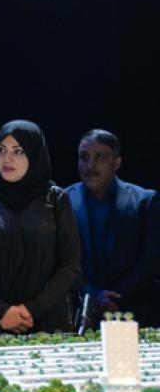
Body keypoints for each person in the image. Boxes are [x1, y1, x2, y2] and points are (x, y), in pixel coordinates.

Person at [0, 120, 80, 336]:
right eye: (1, 150)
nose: (7, 158)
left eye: (18, 151)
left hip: (46, 319)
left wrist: (31, 309)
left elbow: (70, 265)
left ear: (34, 154)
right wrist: (2, 310)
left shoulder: (57, 199)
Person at [66, 129, 160, 328]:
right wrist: (93, 294)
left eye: (100, 157)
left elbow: (152, 259)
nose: (90, 165)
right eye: (84, 157)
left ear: (116, 162)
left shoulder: (144, 200)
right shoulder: (63, 201)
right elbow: (62, 258)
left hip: (136, 311)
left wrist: (115, 296)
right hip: (80, 313)